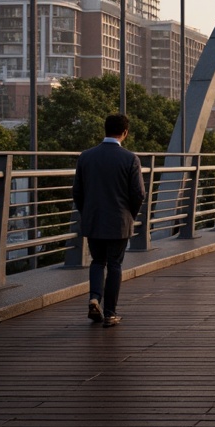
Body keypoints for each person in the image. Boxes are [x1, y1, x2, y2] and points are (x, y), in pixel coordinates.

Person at [72, 113, 145, 329]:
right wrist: (130, 214)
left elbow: (77, 191)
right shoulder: (130, 159)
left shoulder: (85, 157)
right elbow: (139, 193)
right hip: (119, 221)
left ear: (104, 130)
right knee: (114, 265)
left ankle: (94, 298)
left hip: (93, 219)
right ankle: (111, 313)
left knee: (97, 261)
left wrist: (87, 212)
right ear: (125, 133)